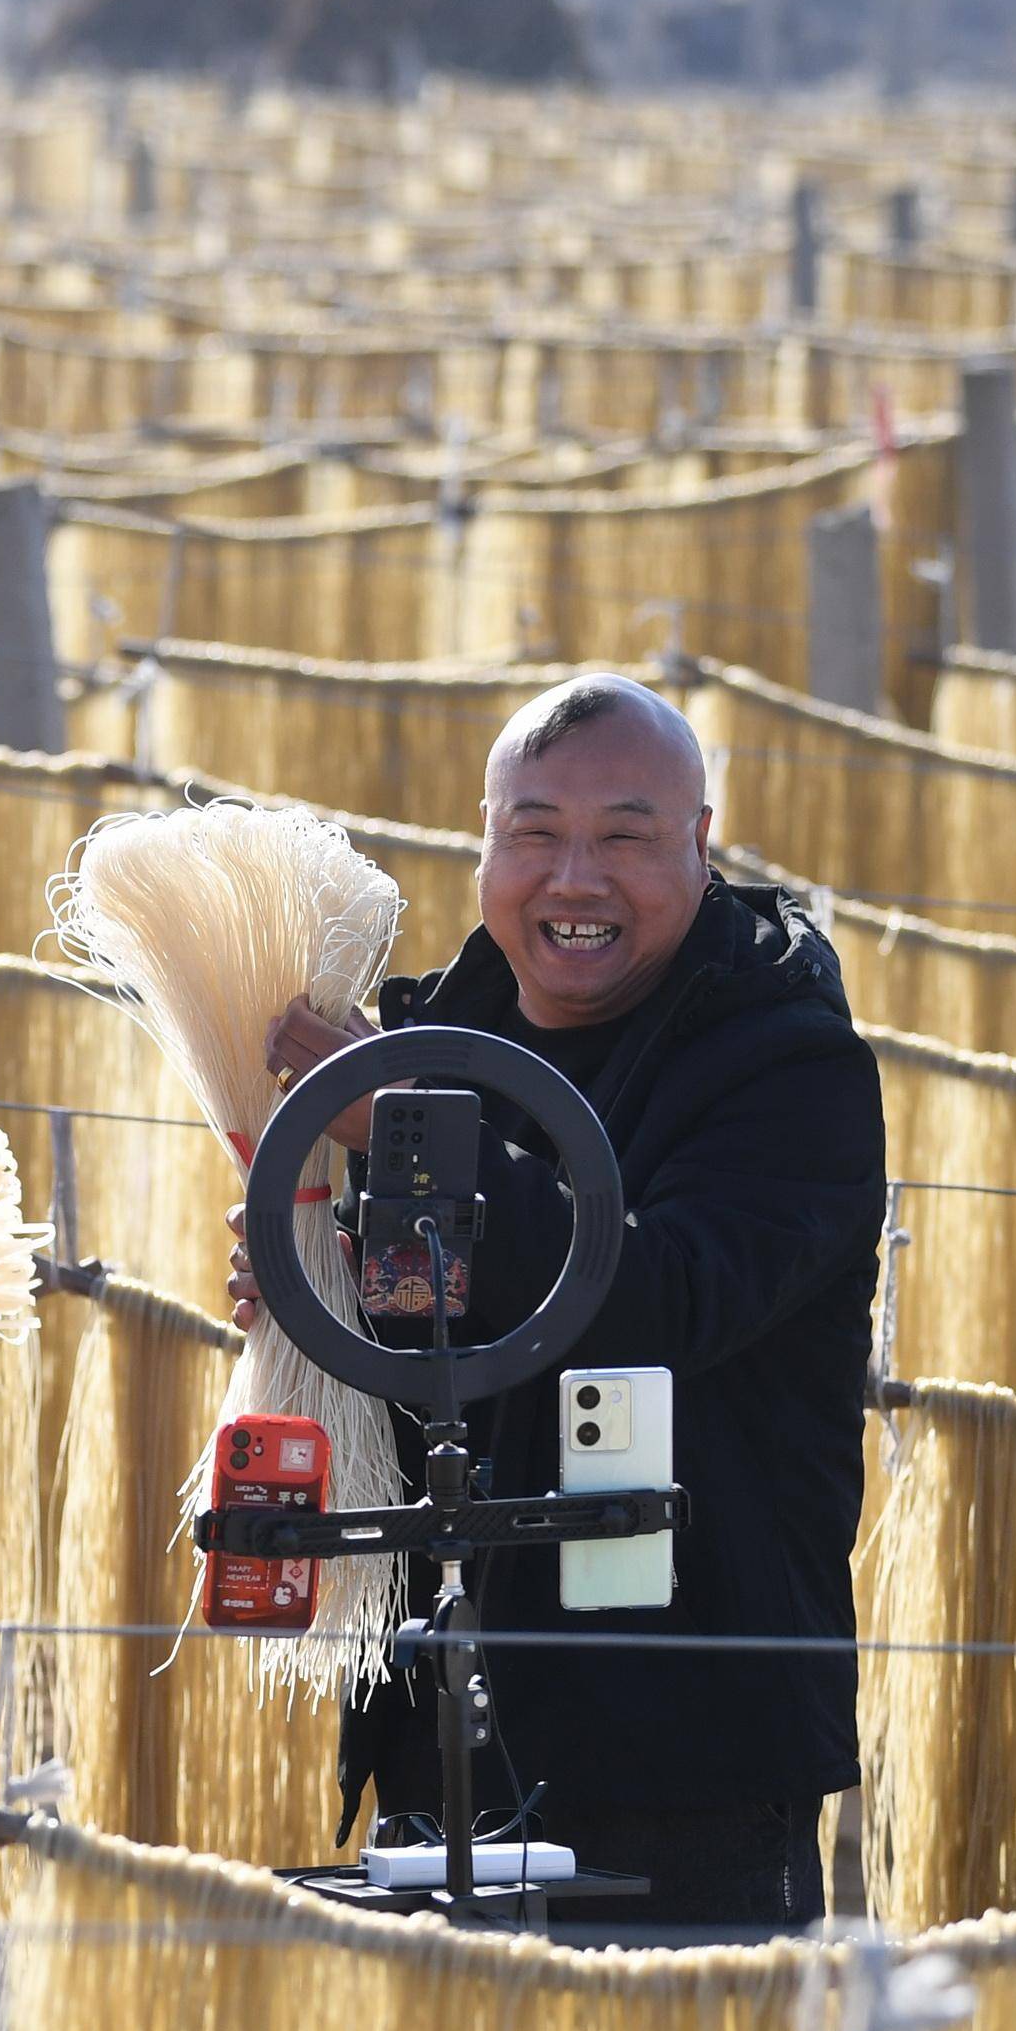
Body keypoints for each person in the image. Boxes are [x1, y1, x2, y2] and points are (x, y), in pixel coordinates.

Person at [232, 673, 887, 1937]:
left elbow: (668, 1296)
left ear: (699, 845)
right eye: (533, 834)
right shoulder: (435, 1032)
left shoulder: (787, 1066)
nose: (573, 881)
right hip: (441, 1726)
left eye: (625, 837)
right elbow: (439, 1337)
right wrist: (318, 1293)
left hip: (685, 1759)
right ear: (484, 847)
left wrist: (417, 1142)